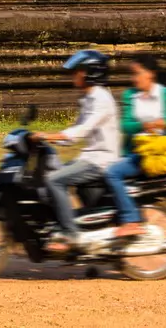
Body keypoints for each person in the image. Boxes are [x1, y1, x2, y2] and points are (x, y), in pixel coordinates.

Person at [38, 48, 121, 252]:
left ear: (91, 73)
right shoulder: (89, 98)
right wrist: (51, 140)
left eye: (79, 71)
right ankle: (61, 223)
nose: (75, 75)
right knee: (48, 174)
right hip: (90, 156)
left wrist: (48, 136)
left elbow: (81, 131)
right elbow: (75, 131)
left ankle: (71, 233)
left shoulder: (101, 99)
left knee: (54, 180)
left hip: (101, 160)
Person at [106, 51, 166, 240]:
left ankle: (131, 220)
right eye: (132, 74)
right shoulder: (131, 96)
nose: (134, 78)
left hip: (158, 155)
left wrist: (165, 121)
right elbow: (125, 125)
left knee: (112, 173)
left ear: (151, 74)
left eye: (137, 73)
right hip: (137, 152)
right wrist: (143, 125)